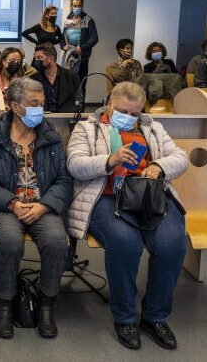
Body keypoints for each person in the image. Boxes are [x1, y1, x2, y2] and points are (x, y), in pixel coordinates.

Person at [66, 81, 188, 350]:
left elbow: (181, 157)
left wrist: (158, 166)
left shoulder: (152, 128)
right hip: (106, 197)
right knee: (125, 244)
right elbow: (75, 164)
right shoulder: (87, 128)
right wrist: (109, 160)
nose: (130, 118)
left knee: (171, 244)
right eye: (123, 111)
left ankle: (155, 317)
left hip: (148, 198)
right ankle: (125, 318)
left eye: (135, 113)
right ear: (109, 104)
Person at [0, 77, 72, 339]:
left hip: (41, 205)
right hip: (4, 206)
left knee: (57, 241)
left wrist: (45, 205)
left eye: (42, 104)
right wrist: (11, 203)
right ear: (14, 106)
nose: (40, 109)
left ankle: (47, 305)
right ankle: (4, 304)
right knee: (10, 242)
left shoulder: (50, 137)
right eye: (33, 104)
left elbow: (63, 180)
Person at [62, 0, 99, 90]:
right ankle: (70, 104)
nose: (77, 8)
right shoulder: (67, 19)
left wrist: (82, 48)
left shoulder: (88, 20)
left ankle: (80, 104)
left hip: (82, 56)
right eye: (75, 6)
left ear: (82, 6)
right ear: (71, 6)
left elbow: (94, 38)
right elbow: (63, 37)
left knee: (81, 82)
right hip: (70, 56)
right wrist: (63, 46)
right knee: (68, 82)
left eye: (79, 6)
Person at [31, 43, 80, 112]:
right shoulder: (33, 78)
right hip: (42, 118)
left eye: (40, 57)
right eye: (35, 58)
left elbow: (79, 101)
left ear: (51, 58)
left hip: (65, 118)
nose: (36, 61)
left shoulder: (71, 76)